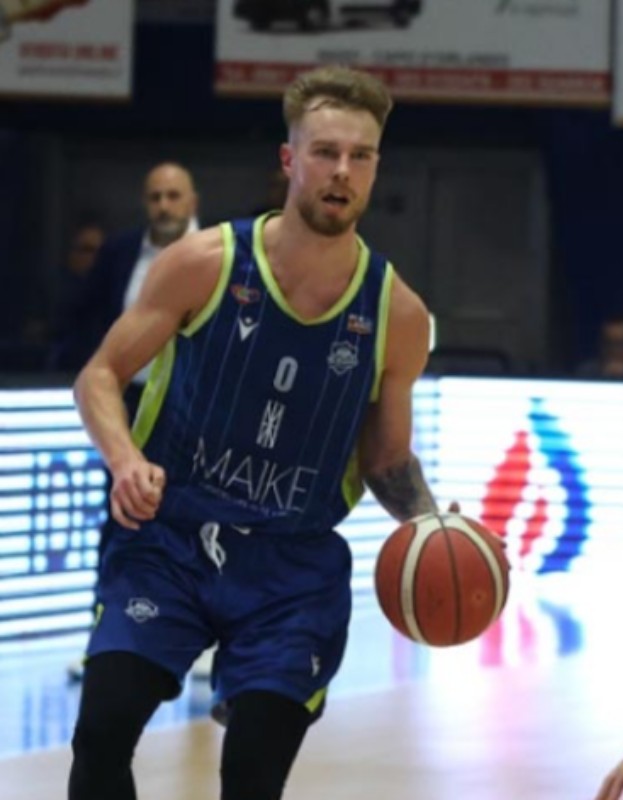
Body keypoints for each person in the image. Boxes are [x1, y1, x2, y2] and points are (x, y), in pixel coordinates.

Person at [67, 64, 444, 800]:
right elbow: (100, 376)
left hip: (291, 568)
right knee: (103, 731)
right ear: (289, 159)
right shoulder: (204, 263)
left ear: (375, 167)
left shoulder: (397, 314)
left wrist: (434, 527)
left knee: (251, 776)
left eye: (360, 156)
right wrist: (124, 459)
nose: (342, 172)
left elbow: (387, 460)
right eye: (325, 152)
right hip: (170, 540)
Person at [65, 162, 215, 680]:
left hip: (199, 405)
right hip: (130, 403)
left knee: (203, 523)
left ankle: (205, 641)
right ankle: (103, 639)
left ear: (193, 201)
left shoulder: (221, 255)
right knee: (121, 517)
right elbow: (86, 317)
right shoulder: (120, 252)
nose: (164, 206)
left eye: (174, 195)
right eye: (155, 196)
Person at [47, 220, 106, 372]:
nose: (95, 257)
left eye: (101, 252)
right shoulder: (53, 292)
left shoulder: (112, 297)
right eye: (87, 250)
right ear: (71, 254)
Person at [575, 315, 623, 379]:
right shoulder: (585, 372)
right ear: (600, 344)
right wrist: (604, 376)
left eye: (620, 344)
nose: (615, 350)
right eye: (608, 343)